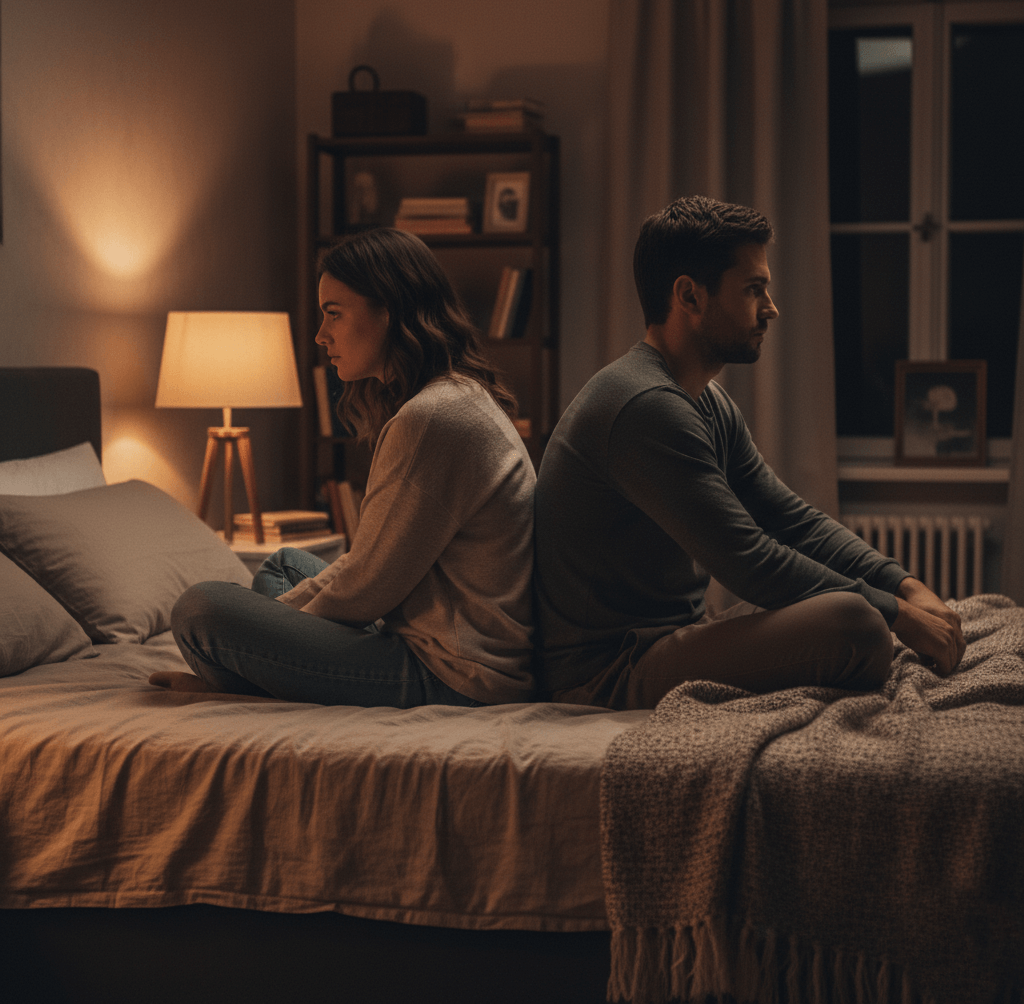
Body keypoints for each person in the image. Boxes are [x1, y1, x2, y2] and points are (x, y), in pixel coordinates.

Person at [533, 195, 965, 710]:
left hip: (675, 634)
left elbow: (791, 520)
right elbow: (751, 562)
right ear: (689, 297)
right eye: (753, 289)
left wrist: (907, 586)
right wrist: (896, 614)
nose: (771, 308)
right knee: (859, 628)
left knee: (855, 612)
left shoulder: (705, 400)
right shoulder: (644, 407)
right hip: (607, 671)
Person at [151, 227, 535, 707]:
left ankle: (238, 680)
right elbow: (371, 570)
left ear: (389, 312)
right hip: (432, 636)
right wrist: (272, 625)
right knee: (283, 565)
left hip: (454, 674)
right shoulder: (452, 397)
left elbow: (367, 587)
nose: (320, 335)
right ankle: (256, 670)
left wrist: (260, 629)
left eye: (333, 314)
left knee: (200, 609)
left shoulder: (433, 417)